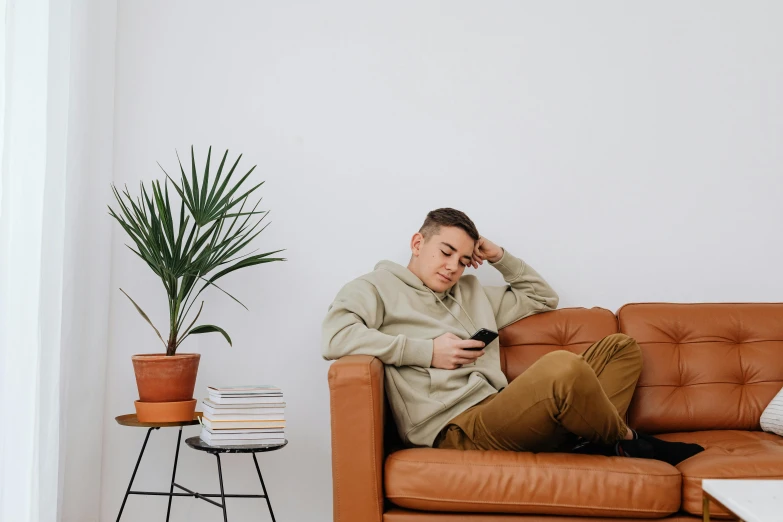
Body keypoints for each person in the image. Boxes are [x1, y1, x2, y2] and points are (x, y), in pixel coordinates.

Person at [321, 208, 702, 465]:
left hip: (500, 409)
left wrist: (499, 255)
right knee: (561, 367)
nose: (453, 266)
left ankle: (598, 438)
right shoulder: (374, 287)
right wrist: (426, 351)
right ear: (418, 244)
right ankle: (627, 440)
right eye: (445, 252)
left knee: (621, 347)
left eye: (463, 258)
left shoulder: (470, 293)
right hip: (455, 427)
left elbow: (541, 297)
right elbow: (335, 338)